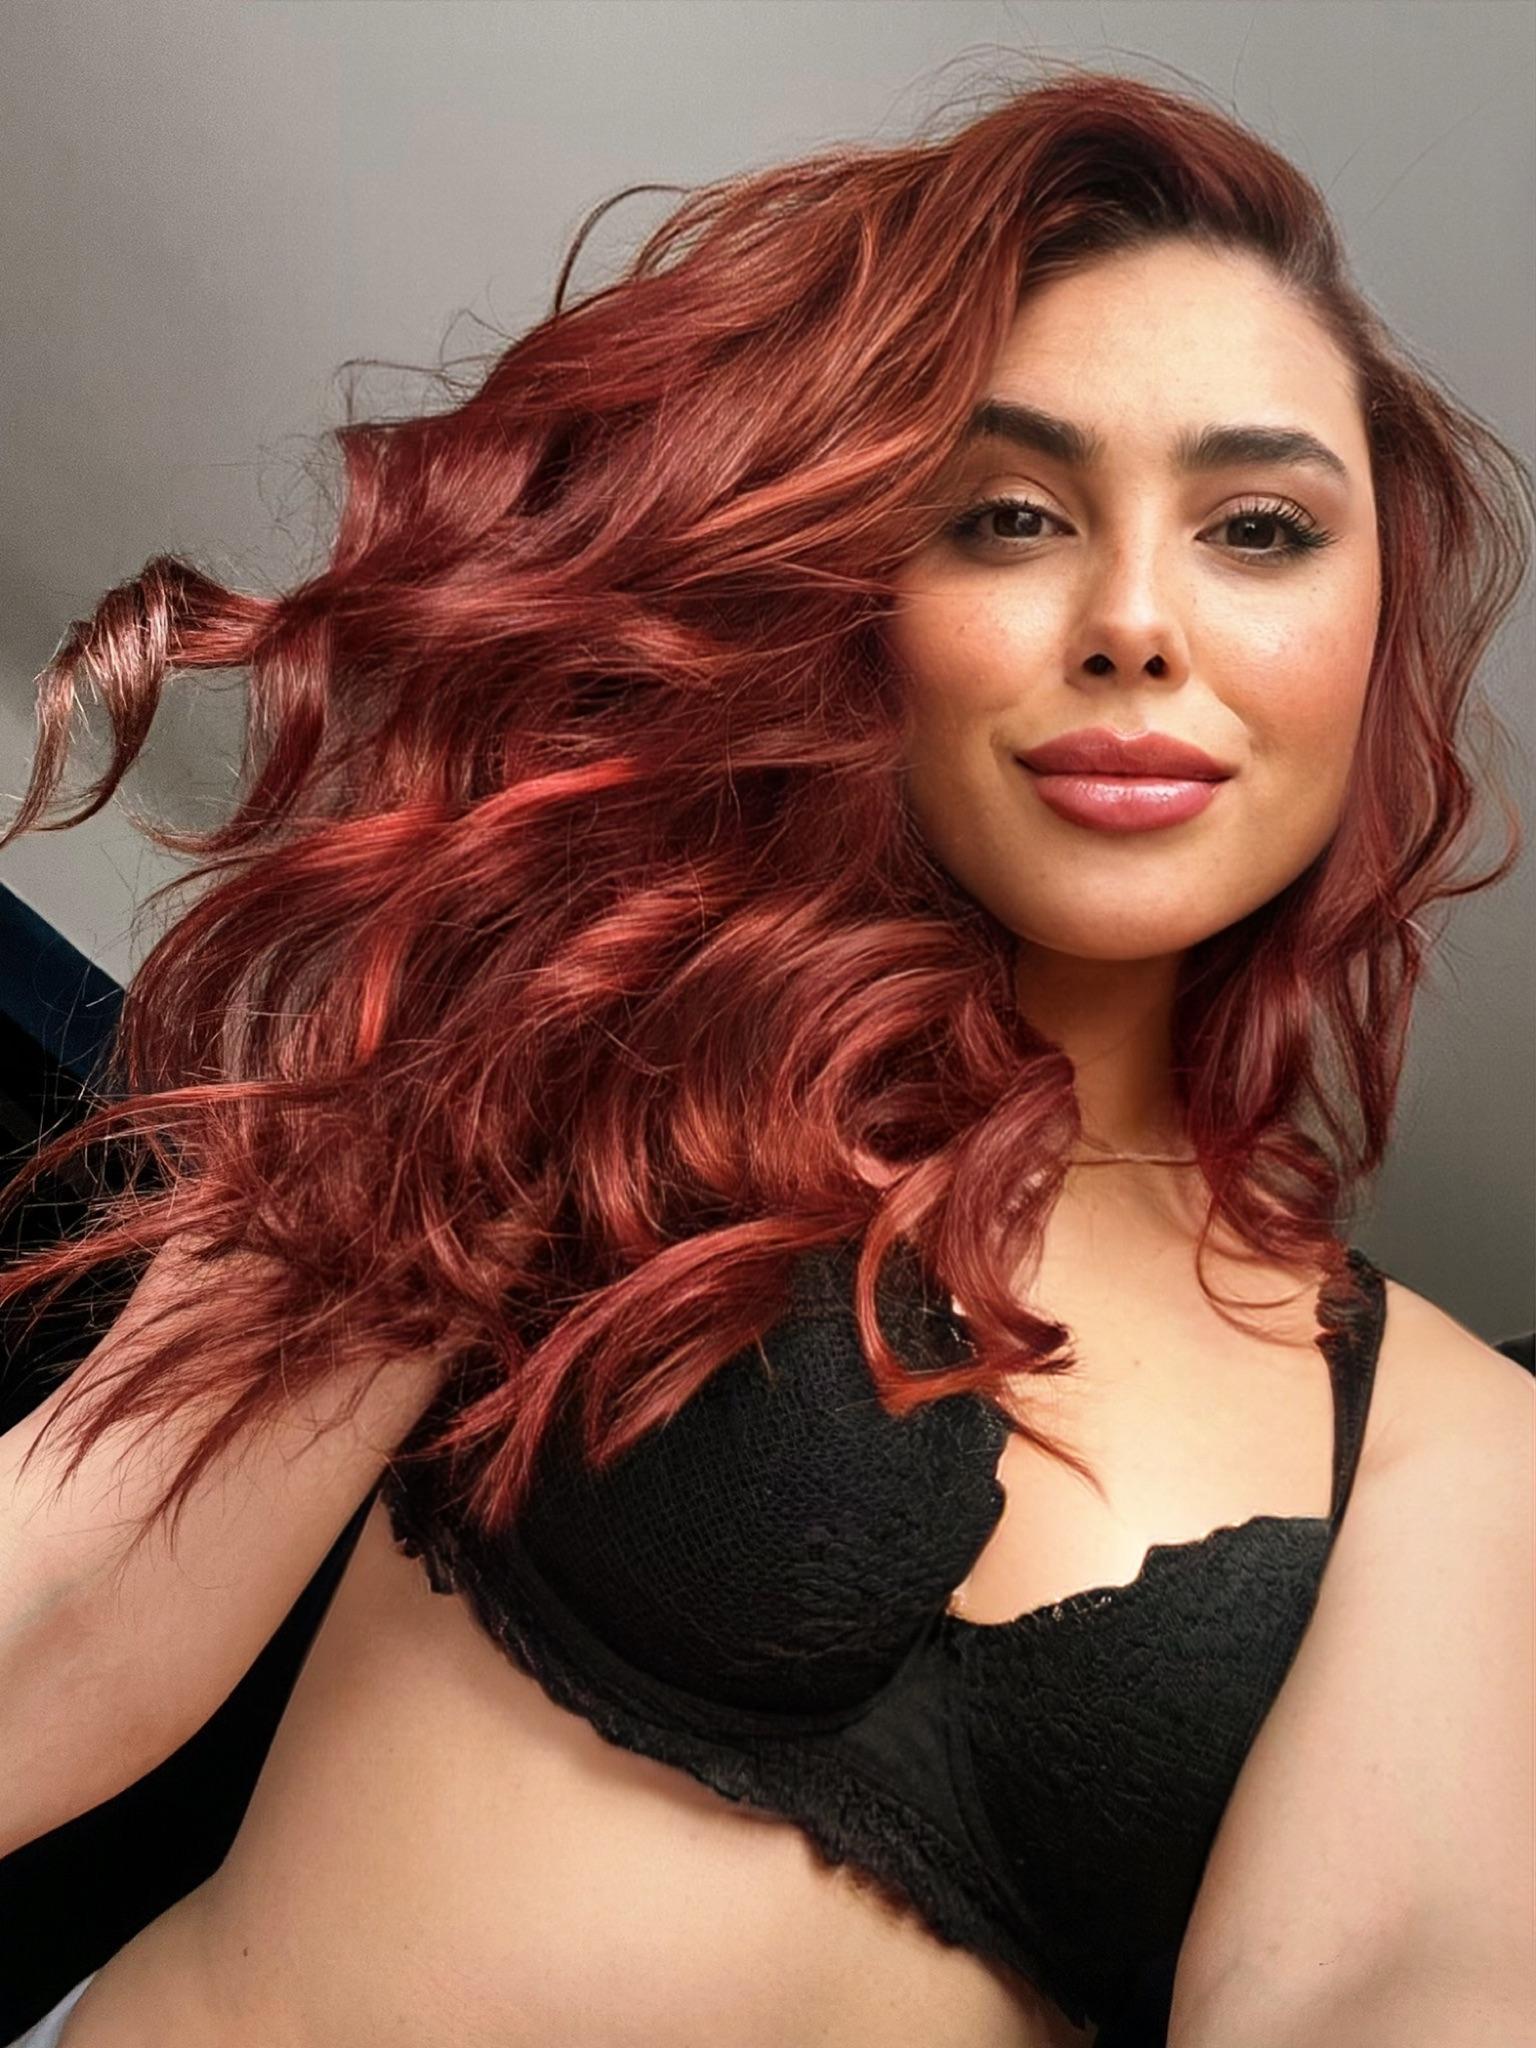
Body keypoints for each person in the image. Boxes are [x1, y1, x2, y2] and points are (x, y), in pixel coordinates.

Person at [1, 59, 1532, 2048]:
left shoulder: (1453, 1444)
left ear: (1375, 630)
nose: (1137, 621)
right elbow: (73, 1610)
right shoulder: (595, 1000)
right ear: (873, 595)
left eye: (1258, 526)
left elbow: (1403, 1985)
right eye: (1008, 513)